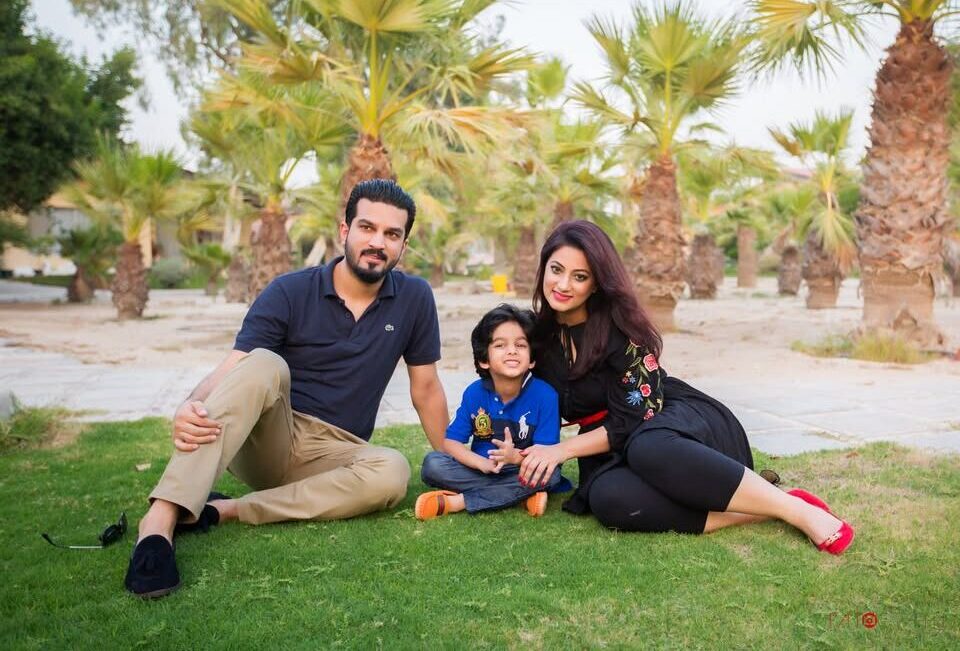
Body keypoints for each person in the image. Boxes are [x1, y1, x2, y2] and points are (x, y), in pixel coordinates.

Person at [124, 179, 450, 598]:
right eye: (367, 228)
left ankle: (225, 511)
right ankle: (159, 522)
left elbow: (426, 389)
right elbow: (236, 367)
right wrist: (191, 405)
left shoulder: (415, 298)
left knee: (392, 471)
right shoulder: (290, 290)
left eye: (392, 234)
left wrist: (453, 461)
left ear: (403, 244)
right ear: (344, 231)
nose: (378, 242)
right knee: (265, 362)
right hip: (270, 438)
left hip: (336, 451)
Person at [520, 220, 854, 554]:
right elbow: (508, 387)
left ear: (595, 284)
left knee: (646, 446)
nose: (563, 284)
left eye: (580, 276)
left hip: (679, 430)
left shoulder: (620, 330)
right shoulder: (537, 337)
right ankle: (760, 509)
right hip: (609, 450)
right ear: (543, 268)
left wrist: (561, 450)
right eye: (556, 270)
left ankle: (798, 511)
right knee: (607, 500)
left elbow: (637, 419)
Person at [415, 304, 564, 520]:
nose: (512, 350)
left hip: (521, 469)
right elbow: (451, 443)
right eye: (500, 345)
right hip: (482, 468)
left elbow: (546, 453)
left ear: (531, 360)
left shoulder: (546, 395)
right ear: (484, 360)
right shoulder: (474, 393)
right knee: (433, 464)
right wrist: (481, 464)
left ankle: (459, 502)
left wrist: (515, 457)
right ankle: (520, 496)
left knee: (551, 475)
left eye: (521, 345)